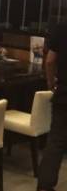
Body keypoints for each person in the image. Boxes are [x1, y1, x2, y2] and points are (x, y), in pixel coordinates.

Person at [38, 22, 67, 191]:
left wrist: (51, 84)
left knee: (56, 142)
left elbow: (50, 61)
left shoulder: (62, 28)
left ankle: (44, 186)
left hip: (64, 94)